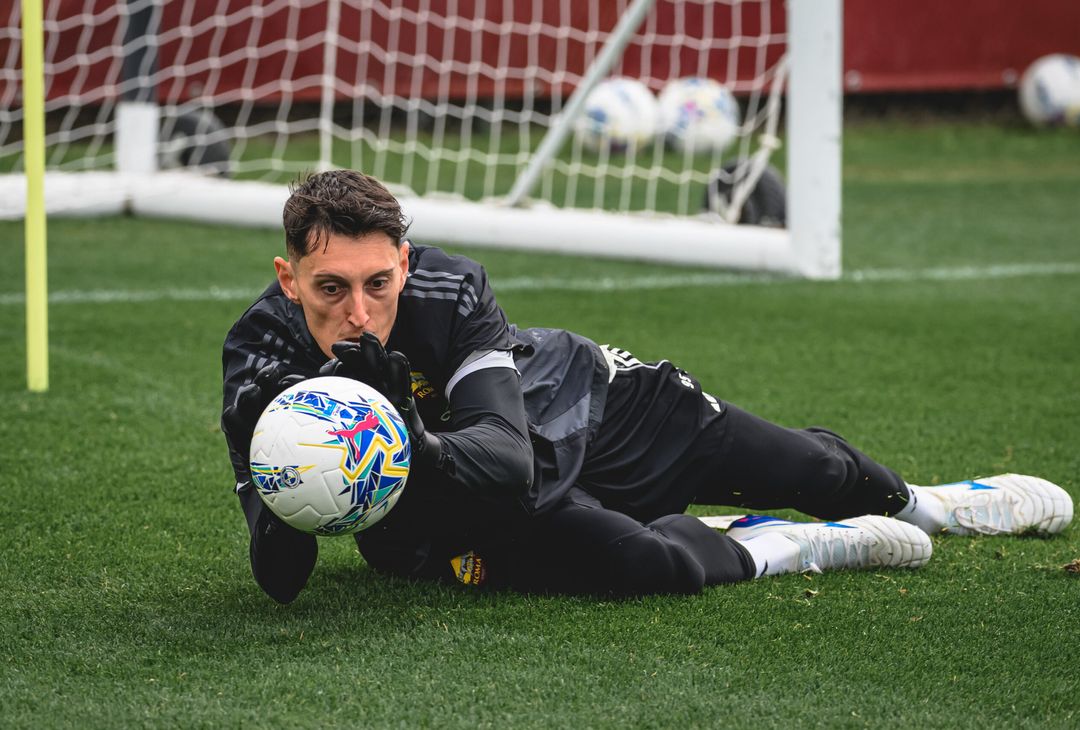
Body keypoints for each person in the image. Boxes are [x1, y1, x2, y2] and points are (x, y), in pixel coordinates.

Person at [221, 169, 1074, 604]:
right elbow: (282, 576)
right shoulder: (262, 360)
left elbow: (507, 453)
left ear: (405, 262)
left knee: (816, 472)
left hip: (579, 400)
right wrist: (299, 479)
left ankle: (928, 503)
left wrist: (400, 421)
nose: (361, 312)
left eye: (380, 283)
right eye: (331, 289)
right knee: (644, 564)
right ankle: (787, 545)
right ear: (288, 278)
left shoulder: (453, 289)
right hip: (460, 509)